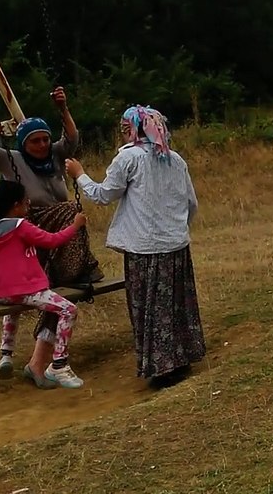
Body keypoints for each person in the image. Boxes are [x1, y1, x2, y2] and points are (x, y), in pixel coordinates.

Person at [0, 85, 102, 377]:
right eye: (34, 141)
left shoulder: (55, 155)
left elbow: (72, 139)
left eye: (45, 139)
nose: (41, 145)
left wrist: (63, 109)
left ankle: (72, 270)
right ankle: (72, 272)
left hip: (57, 229)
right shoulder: (11, 159)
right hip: (32, 226)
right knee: (70, 213)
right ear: (23, 143)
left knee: (67, 212)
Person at [65, 106, 204, 389]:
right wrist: (176, 229)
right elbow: (191, 203)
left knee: (151, 308)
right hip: (176, 246)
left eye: (126, 126)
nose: (122, 131)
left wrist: (79, 174)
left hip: (145, 249)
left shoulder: (129, 158)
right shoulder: (175, 159)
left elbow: (103, 195)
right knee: (175, 304)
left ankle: (162, 369)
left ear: (138, 128)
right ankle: (182, 357)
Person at [0, 179, 88, 389]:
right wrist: (75, 225)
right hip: (23, 290)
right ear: (16, 205)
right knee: (69, 310)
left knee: (13, 308)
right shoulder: (20, 226)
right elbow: (52, 241)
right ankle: (59, 364)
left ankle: (6, 354)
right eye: (26, 201)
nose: (28, 205)